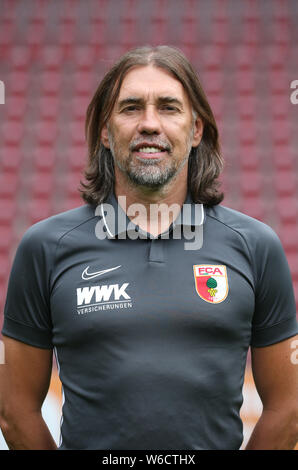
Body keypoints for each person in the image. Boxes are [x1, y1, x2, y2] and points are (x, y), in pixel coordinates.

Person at [0, 45, 297, 450]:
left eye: (169, 107)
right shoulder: (45, 248)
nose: (150, 124)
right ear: (105, 131)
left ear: (196, 130)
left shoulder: (256, 246)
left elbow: (290, 406)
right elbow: (14, 409)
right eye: (131, 108)